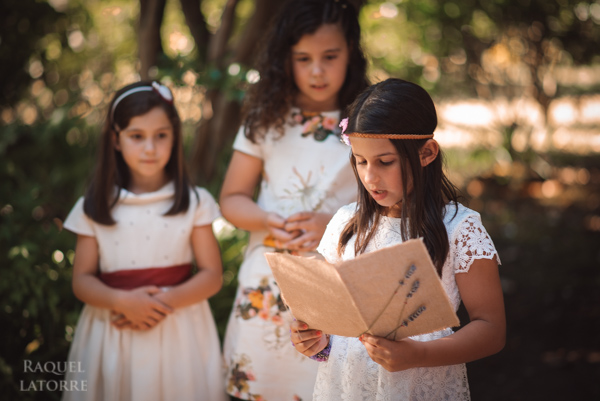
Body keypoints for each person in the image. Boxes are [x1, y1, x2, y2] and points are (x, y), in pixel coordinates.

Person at [290, 78, 506, 400]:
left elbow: (491, 330)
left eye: (384, 161)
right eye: (360, 161)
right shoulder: (346, 224)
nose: (369, 177)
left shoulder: (461, 229)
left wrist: (418, 355)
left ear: (426, 153)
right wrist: (315, 339)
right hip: (346, 386)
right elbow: (333, 318)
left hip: (420, 385)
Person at [219, 0, 370, 399]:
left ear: (351, 53)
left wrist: (334, 225)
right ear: (284, 60)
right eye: (303, 58)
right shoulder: (264, 122)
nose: (316, 70)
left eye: (329, 56)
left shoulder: (368, 121)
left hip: (339, 281)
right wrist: (267, 219)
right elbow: (232, 198)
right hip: (268, 282)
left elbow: (392, 206)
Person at [61, 81, 228, 401]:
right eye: (137, 136)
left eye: (161, 135)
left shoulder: (195, 202)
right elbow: (82, 281)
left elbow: (211, 276)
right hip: (114, 326)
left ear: (174, 136)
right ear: (116, 139)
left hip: (178, 328)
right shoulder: (95, 204)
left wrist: (157, 305)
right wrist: (124, 303)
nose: (150, 147)